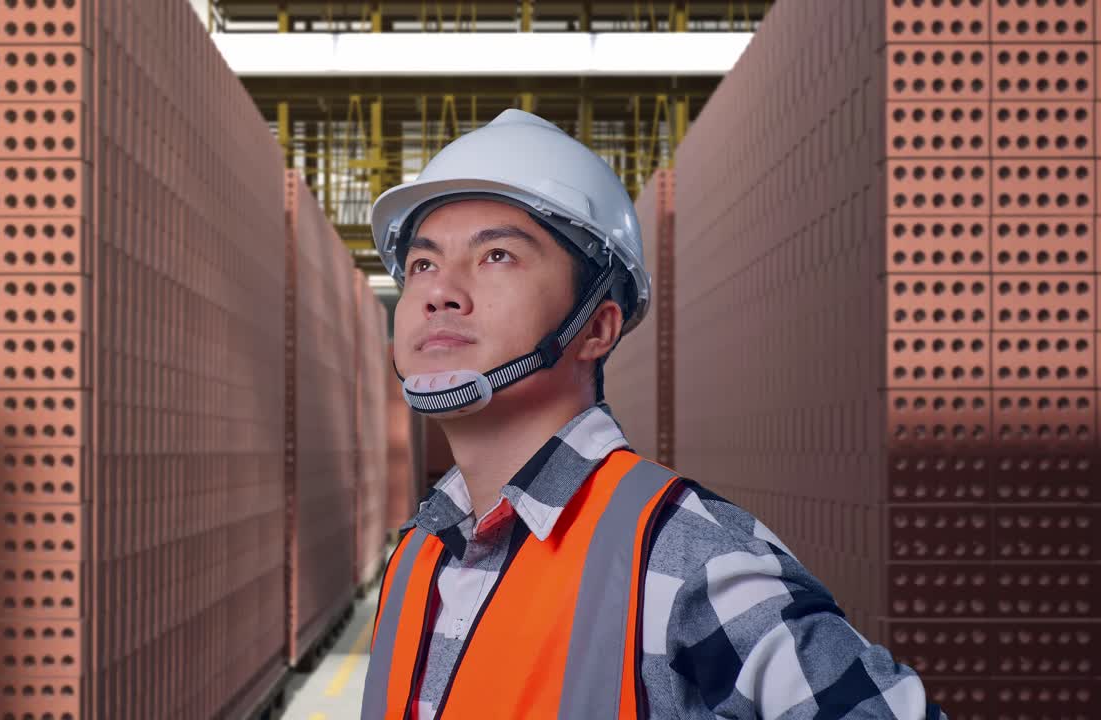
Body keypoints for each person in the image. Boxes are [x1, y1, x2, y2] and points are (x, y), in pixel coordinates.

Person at [360, 108, 947, 720]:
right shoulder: (416, 559)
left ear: (595, 327)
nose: (438, 290)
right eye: (423, 264)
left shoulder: (685, 558)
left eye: (498, 255)